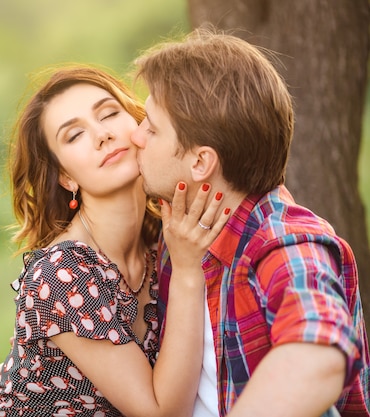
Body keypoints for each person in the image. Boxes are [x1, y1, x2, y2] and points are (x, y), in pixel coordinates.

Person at [0, 65, 231, 417]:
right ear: (66, 176)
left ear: (141, 124)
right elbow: (163, 414)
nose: (102, 134)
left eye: (109, 113)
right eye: (74, 135)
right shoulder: (61, 273)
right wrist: (188, 271)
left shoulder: (164, 242)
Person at [130, 27, 370, 417]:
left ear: (200, 163)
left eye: (151, 128)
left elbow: (318, 353)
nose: (135, 136)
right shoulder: (179, 228)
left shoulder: (285, 243)